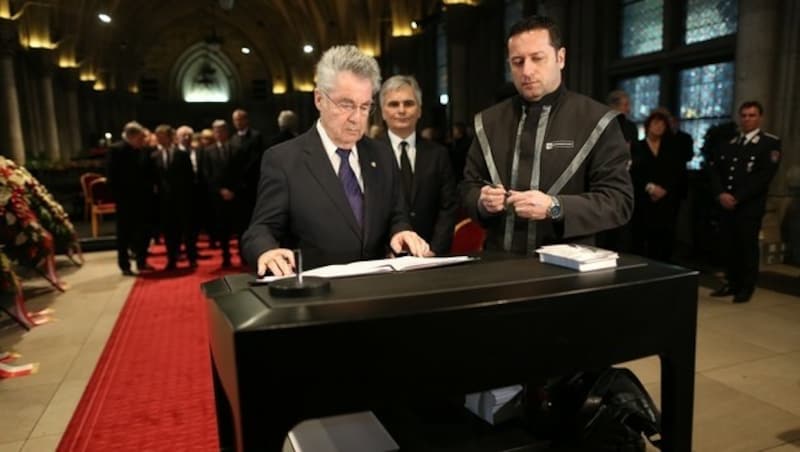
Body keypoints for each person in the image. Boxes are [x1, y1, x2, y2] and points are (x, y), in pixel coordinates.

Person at [241, 45, 430, 276]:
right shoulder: (283, 160)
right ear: (319, 99)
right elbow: (260, 229)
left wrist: (401, 232)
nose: (356, 118)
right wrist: (266, 250)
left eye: (364, 107)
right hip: (317, 299)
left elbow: (396, 215)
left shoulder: (382, 155)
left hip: (378, 294)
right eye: (346, 105)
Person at [462, 15, 633, 255]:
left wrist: (555, 207)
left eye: (537, 59)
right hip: (498, 264)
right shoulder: (488, 121)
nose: (527, 71)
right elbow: (468, 187)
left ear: (560, 58)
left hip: (568, 268)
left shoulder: (596, 120)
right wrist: (481, 201)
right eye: (518, 61)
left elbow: (618, 202)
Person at [709, 101, 781, 303]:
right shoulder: (730, 143)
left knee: (747, 247)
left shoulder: (769, 143)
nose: (747, 119)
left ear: (760, 118)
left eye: (752, 115)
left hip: (748, 206)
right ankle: (731, 283)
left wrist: (738, 197)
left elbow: (763, 177)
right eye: (744, 115)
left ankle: (746, 287)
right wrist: (721, 194)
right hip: (726, 204)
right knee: (729, 246)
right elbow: (716, 172)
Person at [378, 75, 458, 255]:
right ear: (383, 112)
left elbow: (448, 207)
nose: (401, 110)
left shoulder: (438, 154)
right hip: (384, 259)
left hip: (430, 255)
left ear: (419, 110)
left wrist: (435, 249)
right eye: (393, 104)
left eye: (408, 103)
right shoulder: (369, 154)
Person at [630, 111, 685, 262]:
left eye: (662, 124)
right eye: (655, 123)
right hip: (643, 199)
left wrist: (664, 189)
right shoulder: (637, 147)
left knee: (664, 239)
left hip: (666, 200)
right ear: (648, 126)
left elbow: (678, 172)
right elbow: (632, 173)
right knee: (641, 239)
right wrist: (650, 188)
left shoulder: (672, 148)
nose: (659, 126)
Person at [106, 121, 157, 275]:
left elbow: (149, 173)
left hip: (144, 199)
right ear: (131, 136)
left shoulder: (144, 150)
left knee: (144, 232)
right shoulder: (116, 150)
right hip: (125, 200)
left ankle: (141, 262)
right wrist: (117, 198)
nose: (143, 140)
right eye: (140, 137)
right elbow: (111, 176)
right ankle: (125, 265)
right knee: (124, 234)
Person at [153, 124, 196, 269]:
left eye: (162, 136)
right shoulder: (154, 156)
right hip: (164, 202)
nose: (159, 139)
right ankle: (172, 259)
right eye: (157, 136)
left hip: (182, 200)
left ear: (170, 137)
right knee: (169, 232)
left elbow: (190, 178)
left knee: (187, 231)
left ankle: (192, 258)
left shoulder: (182, 154)